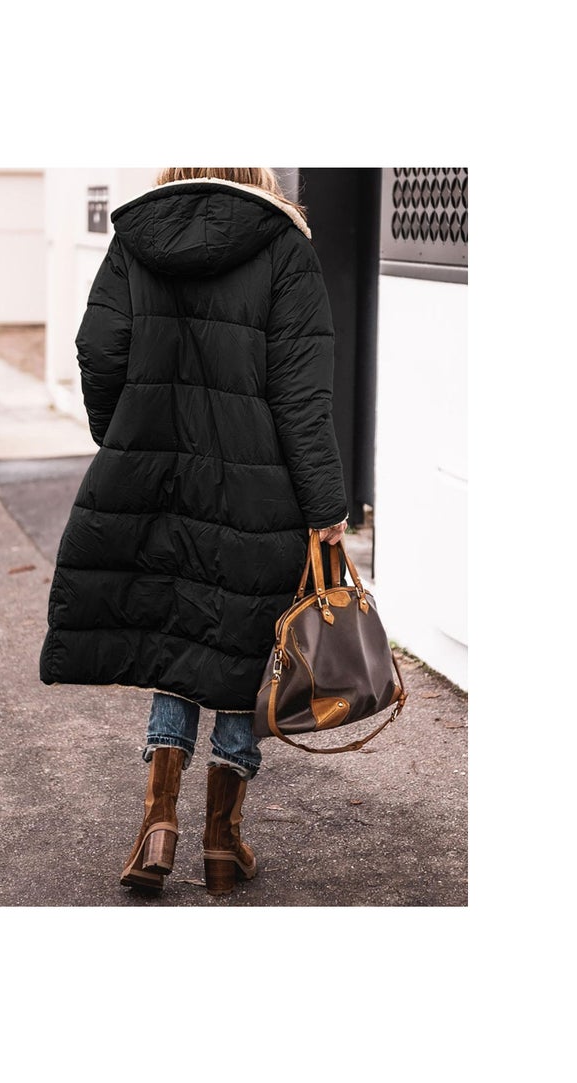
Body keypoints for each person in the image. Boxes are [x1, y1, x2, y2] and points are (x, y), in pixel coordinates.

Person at [40, 168, 349, 898]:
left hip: (157, 477)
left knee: (174, 637)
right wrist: (326, 505)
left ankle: (158, 825)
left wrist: (126, 436)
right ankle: (220, 838)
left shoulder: (136, 237)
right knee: (241, 645)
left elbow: (98, 348)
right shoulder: (283, 244)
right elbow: (301, 394)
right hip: (258, 486)